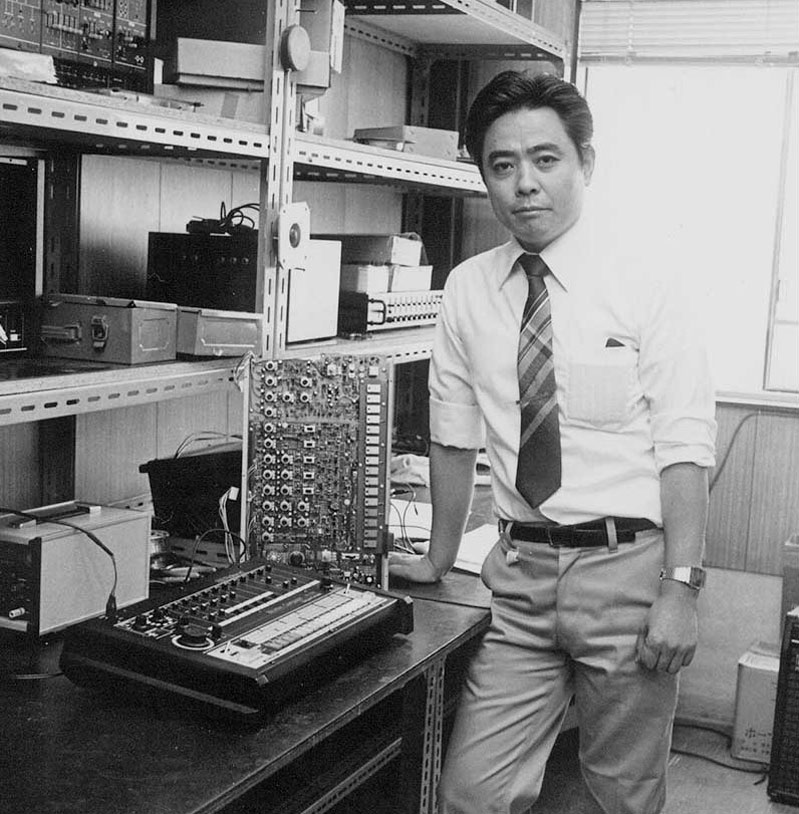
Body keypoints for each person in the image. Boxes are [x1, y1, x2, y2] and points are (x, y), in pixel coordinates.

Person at [388, 70, 717, 814]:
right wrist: (437, 558)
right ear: (483, 178)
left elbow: (685, 448)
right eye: (502, 165)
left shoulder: (647, 280)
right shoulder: (468, 288)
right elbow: (452, 435)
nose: (524, 184)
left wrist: (680, 590)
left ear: (585, 163)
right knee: (471, 794)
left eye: (545, 159)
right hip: (520, 578)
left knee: (620, 798)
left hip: (628, 574)